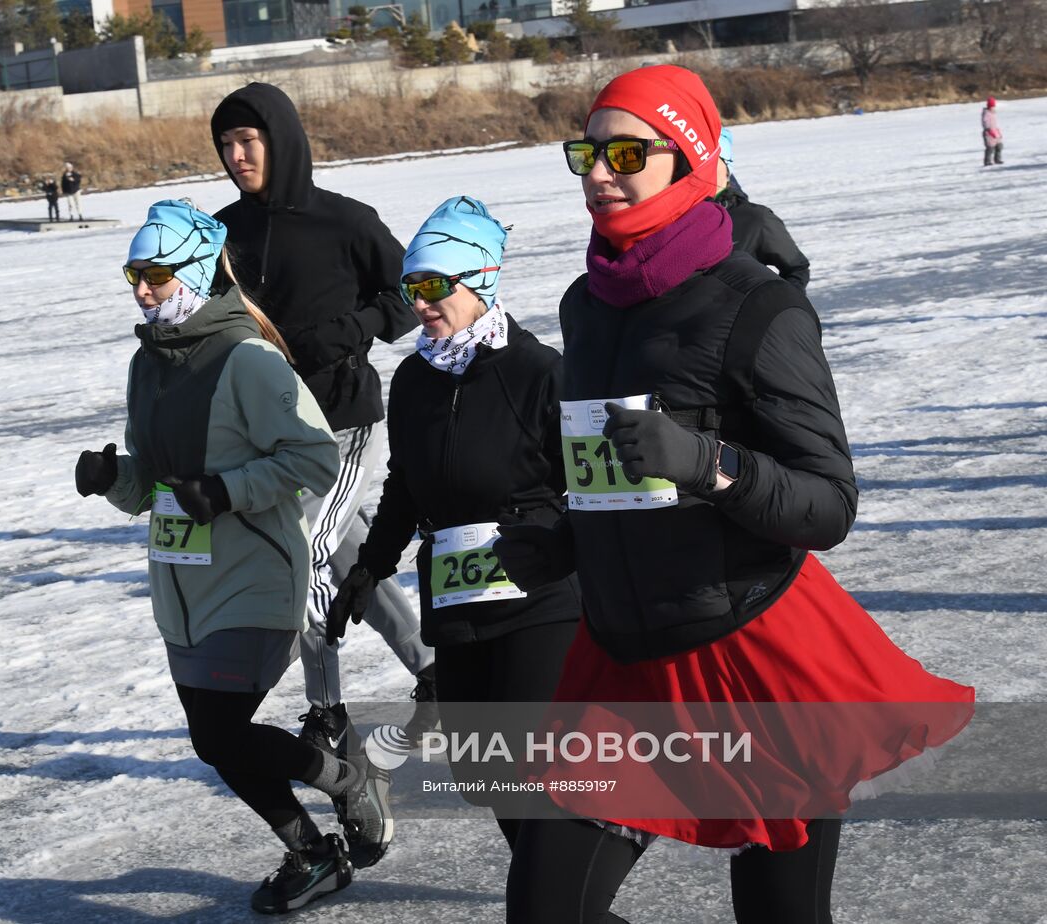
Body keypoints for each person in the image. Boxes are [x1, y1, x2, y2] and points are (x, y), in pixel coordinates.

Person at [496, 66, 974, 923]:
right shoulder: (586, 305)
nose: (599, 173)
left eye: (626, 152)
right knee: (544, 908)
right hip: (621, 658)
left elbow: (829, 504)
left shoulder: (761, 308)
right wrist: (560, 540)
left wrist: (707, 462)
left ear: (687, 159)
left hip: (751, 657)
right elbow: (608, 477)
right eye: (588, 152)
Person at [73, 199, 391, 913]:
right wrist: (113, 480)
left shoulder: (248, 359)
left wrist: (226, 490)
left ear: (193, 271)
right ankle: (313, 852)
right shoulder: (145, 365)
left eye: (154, 273)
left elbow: (312, 458)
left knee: (221, 732)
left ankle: (344, 782)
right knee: (216, 744)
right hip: (181, 584)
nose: (141, 289)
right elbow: (161, 491)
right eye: (133, 273)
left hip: (253, 578)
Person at [326, 196, 582, 852]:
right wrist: (370, 568)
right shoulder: (413, 380)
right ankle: (555, 898)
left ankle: (561, 902)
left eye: (436, 286)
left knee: (528, 766)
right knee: (485, 773)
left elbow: (589, 493)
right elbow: (405, 486)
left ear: (481, 282)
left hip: (541, 597)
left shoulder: (540, 373)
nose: (420, 302)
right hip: (458, 600)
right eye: (413, 286)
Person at [210, 82, 437, 755]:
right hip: (269, 432)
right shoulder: (222, 231)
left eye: (248, 141)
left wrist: (354, 328)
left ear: (280, 141)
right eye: (225, 146)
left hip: (344, 424)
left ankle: (326, 712)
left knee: (297, 558)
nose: (236, 156)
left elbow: (409, 291)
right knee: (345, 556)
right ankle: (435, 671)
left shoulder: (346, 221)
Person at [714, 127, 811, 290]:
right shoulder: (672, 217)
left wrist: (779, 309)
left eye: (713, 162)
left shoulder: (755, 218)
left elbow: (797, 268)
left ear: (727, 171)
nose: (700, 171)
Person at [982, 97, 1004, 166]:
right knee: (990, 148)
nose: (993, 108)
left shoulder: (993, 113)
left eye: (993, 106)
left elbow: (995, 124)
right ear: (989, 106)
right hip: (989, 133)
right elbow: (985, 122)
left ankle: (997, 159)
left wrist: (998, 131)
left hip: (995, 132)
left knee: (999, 146)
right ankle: (987, 161)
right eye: (991, 106)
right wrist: (989, 129)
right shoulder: (986, 113)